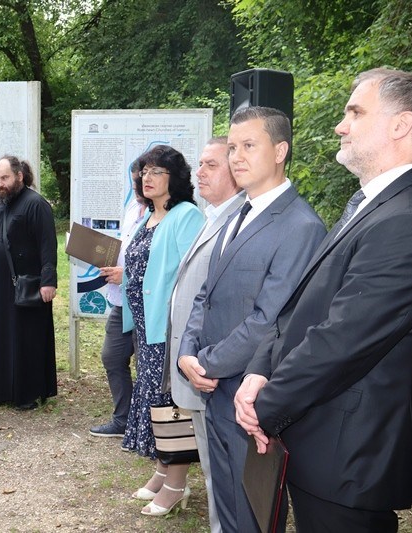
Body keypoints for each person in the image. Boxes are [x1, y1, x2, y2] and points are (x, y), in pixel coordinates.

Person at [235, 69, 412, 533]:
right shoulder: (374, 206)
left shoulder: (409, 221)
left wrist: (265, 407)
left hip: (350, 456)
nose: (340, 125)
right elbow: (301, 306)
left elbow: (342, 342)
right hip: (324, 440)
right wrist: (258, 370)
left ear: (401, 125)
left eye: (355, 112)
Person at [177, 107, 326, 532]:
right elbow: (205, 294)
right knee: (227, 505)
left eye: (248, 146)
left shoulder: (301, 226)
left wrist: (206, 363)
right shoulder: (235, 214)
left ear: (280, 151)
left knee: (254, 515)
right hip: (214, 388)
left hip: (251, 396)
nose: (236, 157)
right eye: (232, 147)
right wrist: (187, 352)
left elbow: (270, 319)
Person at [161, 137, 244, 533]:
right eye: (200, 164)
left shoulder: (239, 220)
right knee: (215, 473)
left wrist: (204, 357)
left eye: (211, 165)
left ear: (236, 171)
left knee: (223, 475)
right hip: (196, 362)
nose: (200, 173)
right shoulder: (212, 216)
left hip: (214, 368)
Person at [120, 145, 204, 516]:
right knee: (157, 399)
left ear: (175, 177)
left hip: (170, 328)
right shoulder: (148, 217)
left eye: (157, 171)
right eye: (144, 171)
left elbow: (194, 276)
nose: (147, 178)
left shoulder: (186, 215)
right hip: (146, 326)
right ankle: (162, 470)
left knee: (171, 405)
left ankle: (176, 484)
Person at [0, 155, 57, 410]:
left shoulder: (36, 204)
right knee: (2, 335)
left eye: (5, 178)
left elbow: (47, 245)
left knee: (26, 338)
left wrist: (48, 281)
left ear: (19, 176)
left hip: (26, 283)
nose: (0, 184)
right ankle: (0, 389)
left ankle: (27, 393)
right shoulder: (4, 205)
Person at [89, 164, 146, 438]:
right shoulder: (133, 209)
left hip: (146, 303)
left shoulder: (168, 214)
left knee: (146, 365)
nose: (136, 188)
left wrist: (128, 274)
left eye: (140, 182)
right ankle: (123, 419)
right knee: (112, 356)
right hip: (122, 300)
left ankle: (146, 424)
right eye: (133, 182)